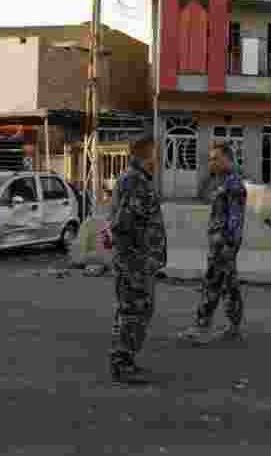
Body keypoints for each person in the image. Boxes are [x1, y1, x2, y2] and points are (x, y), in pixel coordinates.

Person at [101, 134, 166, 383]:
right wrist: (135, 260)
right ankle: (123, 362)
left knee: (135, 310)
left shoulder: (134, 180)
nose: (158, 161)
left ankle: (125, 359)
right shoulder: (136, 182)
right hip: (135, 262)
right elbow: (124, 223)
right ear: (147, 156)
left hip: (135, 261)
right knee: (134, 311)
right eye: (156, 155)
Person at [180, 144, 247, 345]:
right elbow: (207, 199)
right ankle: (233, 327)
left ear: (227, 159)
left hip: (224, 243)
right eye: (210, 159)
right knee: (229, 284)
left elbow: (236, 218)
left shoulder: (233, 184)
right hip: (221, 241)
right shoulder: (222, 181)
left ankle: (202, 326)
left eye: (215, 159)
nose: (212, 163)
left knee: (212, 282)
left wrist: (228, 244)